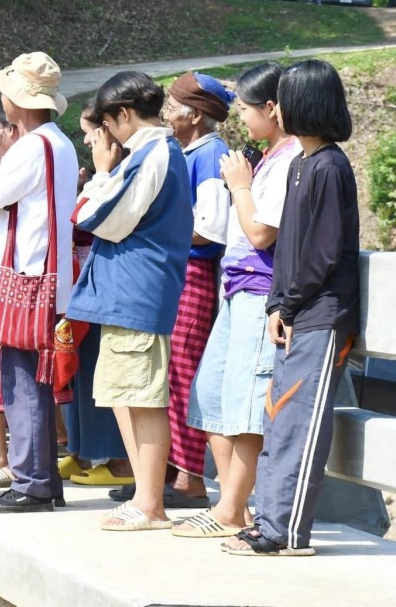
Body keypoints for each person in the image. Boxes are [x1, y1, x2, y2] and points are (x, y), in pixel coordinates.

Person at [223, 60, 358, 557]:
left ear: (306, 103)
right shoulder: (301, 163)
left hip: (322, 316)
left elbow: (322, 254)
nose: (279, 106)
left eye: (288, 97)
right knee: (278, 419)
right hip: (296, 311)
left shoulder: (329, 165)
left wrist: (291, 303)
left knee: (298, 424)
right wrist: (278, 303)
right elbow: (288, 251)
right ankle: (269, 522)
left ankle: (285, 531)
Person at [176, 62, 300, 538]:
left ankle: (230, 508)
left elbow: (261, 231)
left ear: (273, 108)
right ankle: (234, 507)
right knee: (211, 396)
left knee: (247, 404)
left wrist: (240, 185)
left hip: (259, 291)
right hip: (235, 287)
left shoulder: (289, 160)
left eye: (247, 109)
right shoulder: (268, 155)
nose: (241, 119)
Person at [68, 72, 193, 531]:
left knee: (143, 399)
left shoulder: (154, 154)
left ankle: (150, 504)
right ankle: (145, 498)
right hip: (128, 292)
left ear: (123, 114)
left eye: (108, 125)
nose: (107, 137)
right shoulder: (150, 154)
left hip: (138, 290)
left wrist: (101, 173)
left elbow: (101, 219)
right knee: (128, 396)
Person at [0, 51, 79, 513]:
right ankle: (43, 479)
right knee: (34, 379)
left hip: (27, 276)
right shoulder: (61, 143)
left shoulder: (33, 146)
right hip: (49, 274)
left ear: (18, 102)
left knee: (22, 380)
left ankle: (31, 481)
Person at [162, 72, 232, 505]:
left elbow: (209, 228)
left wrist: (159, 230)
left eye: (172, 107)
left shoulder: (210, 154)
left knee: (184, 374)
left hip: (193, 274)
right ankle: (166, 473)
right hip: (177, 272)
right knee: (168, 376)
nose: (167, 114)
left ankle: (190, 478)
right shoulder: (189, 151)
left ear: (195, 114)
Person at [59, 105, 132, 487]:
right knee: (82, 373)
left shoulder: (121, 175)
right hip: (86, 287)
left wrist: (98, 179)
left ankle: (118, 461)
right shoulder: (104, 176)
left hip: (106, 288)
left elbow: (86, 218)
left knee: (106, 375)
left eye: (91, 132)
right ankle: (82, 449)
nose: (86, 140)